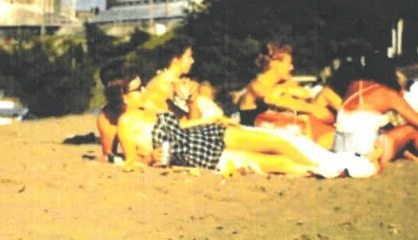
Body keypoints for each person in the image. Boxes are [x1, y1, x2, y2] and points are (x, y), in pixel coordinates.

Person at [113, 65, 377, 178]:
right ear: (122, 96)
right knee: (275, 161)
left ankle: (341, 165)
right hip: (196, 155)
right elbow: (131, 162)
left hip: (206, 136)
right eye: (135, 89)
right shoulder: (126, 122)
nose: (142, 91)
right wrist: (149, 160)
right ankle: (333, 170)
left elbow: (180, 127)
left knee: (276, 143)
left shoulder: (149, 106)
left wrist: (214, 120)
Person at [320, 50, 418, 167]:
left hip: (340, 150)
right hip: (368, 154)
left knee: (388, 131)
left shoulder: (354, 86)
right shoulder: (387, 94)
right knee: (410, 131)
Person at [236, 43, 335, 141]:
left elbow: (304, 95)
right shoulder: (258, 86)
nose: (292, 67)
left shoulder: (283, 84)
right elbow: (301, 105)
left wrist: (284, 89)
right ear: (274, 64)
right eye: (288, 64)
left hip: (275, 132)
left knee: (327, 94)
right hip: (255, 137)